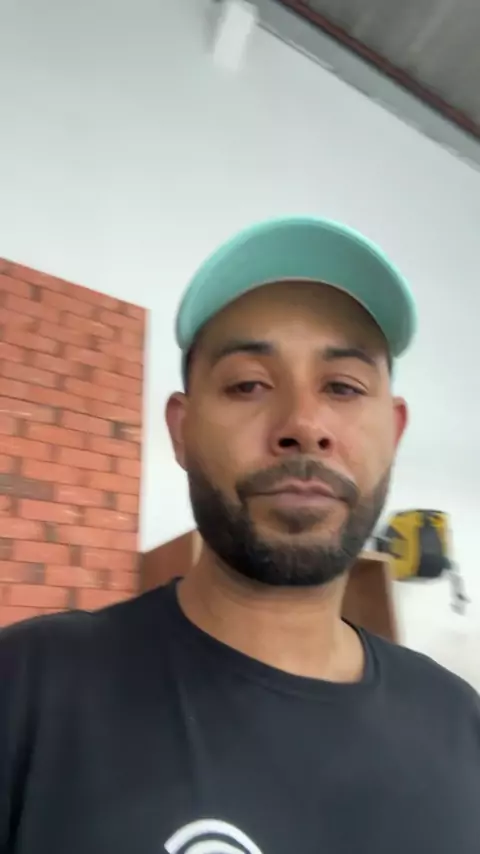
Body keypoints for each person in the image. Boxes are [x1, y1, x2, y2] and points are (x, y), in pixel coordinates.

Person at [0, 216, 479, 854]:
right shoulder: (27, 689)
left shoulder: (461, 723)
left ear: (393, 433)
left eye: (343, 387)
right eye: (248, 384)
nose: (304, 424)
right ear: (182, 430)